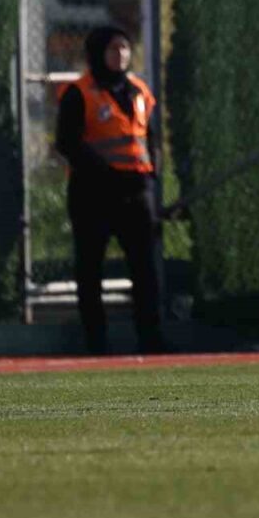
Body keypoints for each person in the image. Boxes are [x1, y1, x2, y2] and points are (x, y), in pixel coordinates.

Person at [54, 26, 167, 355]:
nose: (120, 55)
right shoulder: (80, 92)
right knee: (90, 269)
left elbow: (150, 139)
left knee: (145, 268)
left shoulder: (139, 91)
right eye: (113, 49)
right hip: (93, 194)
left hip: (136, 191)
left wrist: (153, 176)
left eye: (125, 48)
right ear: (98, 53)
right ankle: (96, 343)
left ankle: (151, 338)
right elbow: (67, 142)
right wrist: (105, 174)